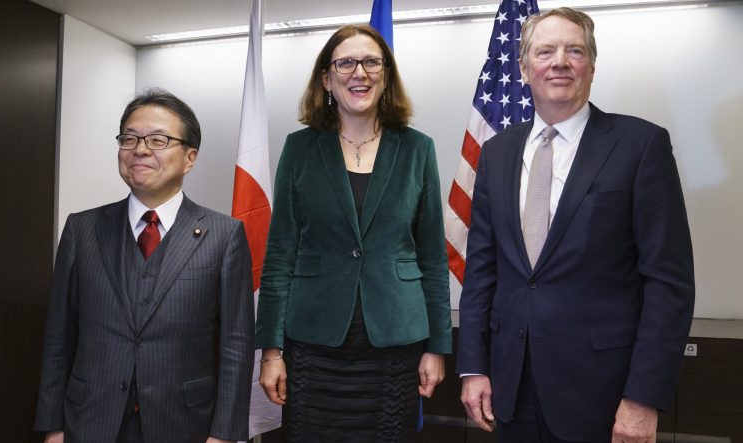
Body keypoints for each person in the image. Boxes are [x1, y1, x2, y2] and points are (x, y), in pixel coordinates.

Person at [457, 7, 694, 443]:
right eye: (545, 51)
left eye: (575, 50)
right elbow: (482, 271)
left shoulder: (641, 145)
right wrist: (474, 366)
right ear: (525, 68)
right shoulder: (497, 153)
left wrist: (643, 397)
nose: (560, 61)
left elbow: (669, 284)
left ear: (592, 66)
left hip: (603, 394)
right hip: (510, 388)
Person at [255, 24, 452, 442]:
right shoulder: (300, 149)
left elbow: (433, 258)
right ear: (326, 78)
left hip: (395, 342)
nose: (358, 72)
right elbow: (279, 259)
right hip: (313, 341)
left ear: (386, 75)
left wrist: (437, 345)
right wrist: (271, 351)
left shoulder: (418, 149)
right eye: (345, 62)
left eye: (370, 62)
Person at [34, 89, 255, 443]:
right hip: (89, 420)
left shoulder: (224, 235)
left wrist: (225, 434)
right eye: (130, 138)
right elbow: (59, 336)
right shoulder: (82, 229)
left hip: (185, 424)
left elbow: (236, 344)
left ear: (189, 157)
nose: (140, 149)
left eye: (158, 139)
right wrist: (53, 426)